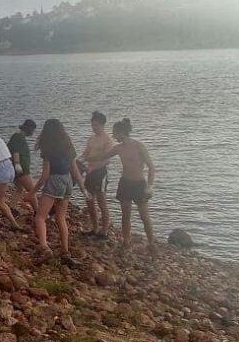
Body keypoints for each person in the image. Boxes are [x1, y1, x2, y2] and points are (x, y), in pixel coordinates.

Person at [31, 119, 89, 260]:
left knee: (40, 217)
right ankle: (65, 251)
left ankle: (44, 247)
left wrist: (31, 192)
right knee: (60, 217)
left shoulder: (48, 148)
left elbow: (45, 176)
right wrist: (83, 189)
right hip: (68, 181)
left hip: (55, 181)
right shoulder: (68, 145)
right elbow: (74, 169)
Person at [102, 118, 156, 254]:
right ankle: (126, 242)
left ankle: (151, 243)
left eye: (115, 133)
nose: (113, 136)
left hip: (139, 184)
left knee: (144, 216)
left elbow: (151, 167)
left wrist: (149, 186)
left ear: (121, 133)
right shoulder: (118, 148)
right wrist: (85, 159)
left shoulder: (139, 146)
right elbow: (103, 156)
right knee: (125, 215)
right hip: (125, 183)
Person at [80, 111, 114, 239]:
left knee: (102, 202)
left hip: (101, 173)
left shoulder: (107, 140)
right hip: (89, 172)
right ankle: (94, 228)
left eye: (97, 125)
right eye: (93, 125)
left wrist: (93, 167)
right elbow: (85, 154)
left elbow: (107, 159)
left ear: (103, 125)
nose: (94, 128)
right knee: (89, 200)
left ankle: (104, 232)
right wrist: (79, 162)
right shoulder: (91, 139)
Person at [8, 119, 39, 212]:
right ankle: (37, 212)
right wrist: (17, 165)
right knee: (31, 190)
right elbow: (15, 152)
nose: (33, 132)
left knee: (19, 189)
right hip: (22, 169)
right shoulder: (18, 137)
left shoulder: (18, 137)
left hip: (16, 168)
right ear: (28, 129)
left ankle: (12, 208)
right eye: (33, 130)